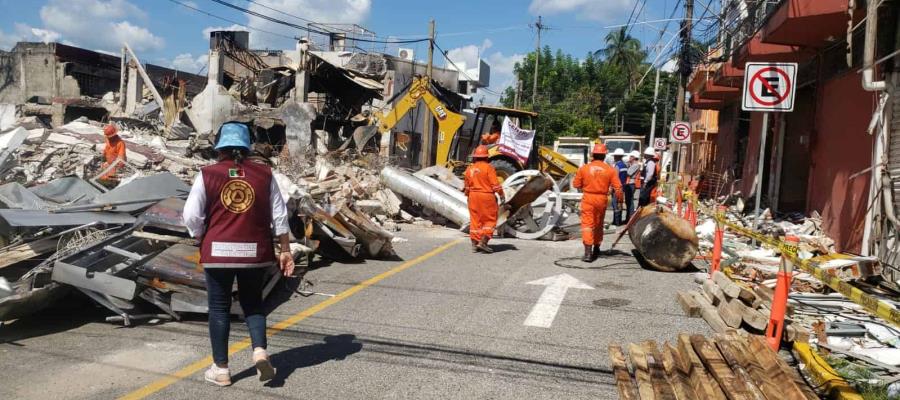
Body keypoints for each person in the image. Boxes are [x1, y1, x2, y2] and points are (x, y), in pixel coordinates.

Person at [182, 121, 295, 387]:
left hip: (217, 252)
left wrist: (200, 236)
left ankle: (221, 369)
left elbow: (191, 216)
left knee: (219, 308)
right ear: (247, 147)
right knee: (253, 304)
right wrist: (285, 250)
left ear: (219, 147)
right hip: (255, 252)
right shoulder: (264, 174)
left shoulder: (207, 174)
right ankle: (260, 352)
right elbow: (280, 215)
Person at [573, 144, 623, 262]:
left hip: (588, 198)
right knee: (598, 224)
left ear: (593, 155)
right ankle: (596, 248)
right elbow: (618, 188)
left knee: (587, 225)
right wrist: (620, 201)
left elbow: (576, 184)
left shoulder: (584, 168)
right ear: (604, 155)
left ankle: (588, 253)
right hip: (601, 199)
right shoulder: (610, 169)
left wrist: (586, 185)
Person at [464, 145, 505, 253]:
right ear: (486, 157)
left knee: (475, 221)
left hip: (473, 196)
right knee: (490, 220)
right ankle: (483, 242)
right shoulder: (488, 168)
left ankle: (474, 244)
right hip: (486, 196)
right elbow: (495, 185)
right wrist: (501, 195)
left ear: (475, 157)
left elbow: (467, 187)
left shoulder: (469, 169)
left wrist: (469, 196)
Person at [611, 148, 628, 225]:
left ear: (617, 156)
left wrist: (612, 187)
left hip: (616, 188)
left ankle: (616, 222)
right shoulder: (624, 165)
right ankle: (619, 221)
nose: (614, 157)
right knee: (620, 203)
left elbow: (615, 178)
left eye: (615, 156)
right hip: (622, 187)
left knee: (615, 204)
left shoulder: (617, 166)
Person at [624, 150, 641, 222]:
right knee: (628, 201)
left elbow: (628, 173)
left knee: (630, 201)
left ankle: (630, 218)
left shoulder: (636, 165)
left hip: (631, 183)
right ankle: (628, 218)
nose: (629, 158)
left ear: (634, 157)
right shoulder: (632, 165)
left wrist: (625, 167)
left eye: (631, 156)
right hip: (629, 183)